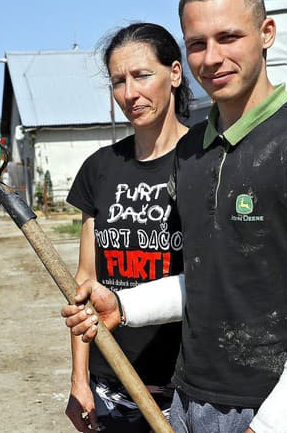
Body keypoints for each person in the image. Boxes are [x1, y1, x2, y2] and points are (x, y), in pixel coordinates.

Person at [63, 0, 287, 433]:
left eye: (229, 37)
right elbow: (207, 281)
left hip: (279, 409)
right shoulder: (193, 152)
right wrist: (126, 309)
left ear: (266, 33)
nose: (213, 58)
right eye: (198, 43)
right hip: (190, 402)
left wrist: (270, 424)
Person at [64, 22, 192, 432]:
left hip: (186, 392)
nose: (130, 93)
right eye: (119, 81)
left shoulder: (205, 160)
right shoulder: (100, 169)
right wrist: (79, 379)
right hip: (111, 386)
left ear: (174, 73)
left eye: (142, 75)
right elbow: (85, 283)